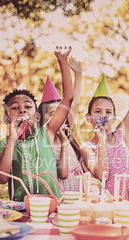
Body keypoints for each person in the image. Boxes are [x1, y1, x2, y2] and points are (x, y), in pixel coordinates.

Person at [0, 46, 74, 201]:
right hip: (21, 207)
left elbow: (68, 99)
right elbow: (1, 179)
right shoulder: (4, 144)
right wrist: (12, 139)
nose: (22, 111)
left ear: (37, 117)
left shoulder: (47, 133)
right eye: (15, 108)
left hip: (53, 204)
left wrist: (63, 61)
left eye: (28, 107)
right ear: (6, 119)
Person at [79, 71, 129, 206]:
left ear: (114, 118)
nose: (103, 116)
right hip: (110, 204)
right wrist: (101, 140)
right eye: (98, 112)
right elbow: (102, 174)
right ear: (88, 117)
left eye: (108, 112)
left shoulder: (121, 135)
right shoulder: (87, 147)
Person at [37, 57, 83, 192]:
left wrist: (78, 74)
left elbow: (75, 102)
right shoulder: (46, 139)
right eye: (52, 114)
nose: (60, 118)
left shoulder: (67, 125)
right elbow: (62, 174)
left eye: (61, 114)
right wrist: (63, 141)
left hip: (78, 190)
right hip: (64, 193)